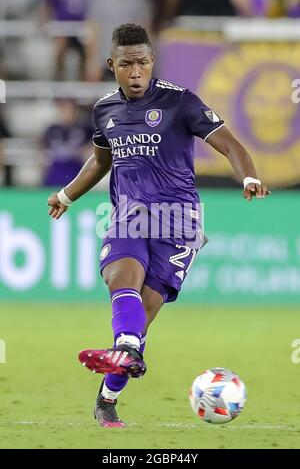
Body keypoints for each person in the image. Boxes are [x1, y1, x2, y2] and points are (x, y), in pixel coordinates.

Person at [47, 23, 270, 428]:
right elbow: (101, 160)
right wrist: (66, 195)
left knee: (145, 310)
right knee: (120, 277)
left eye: (144, 64)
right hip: (128, 216)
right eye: (127, 64)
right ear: (111, 65)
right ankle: (128, 350)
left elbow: (229, 143)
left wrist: (249, 175)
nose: (136, 73)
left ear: (153, 63)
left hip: (179, 222)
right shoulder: (104, 110)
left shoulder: (181, 102)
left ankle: (108, 397)